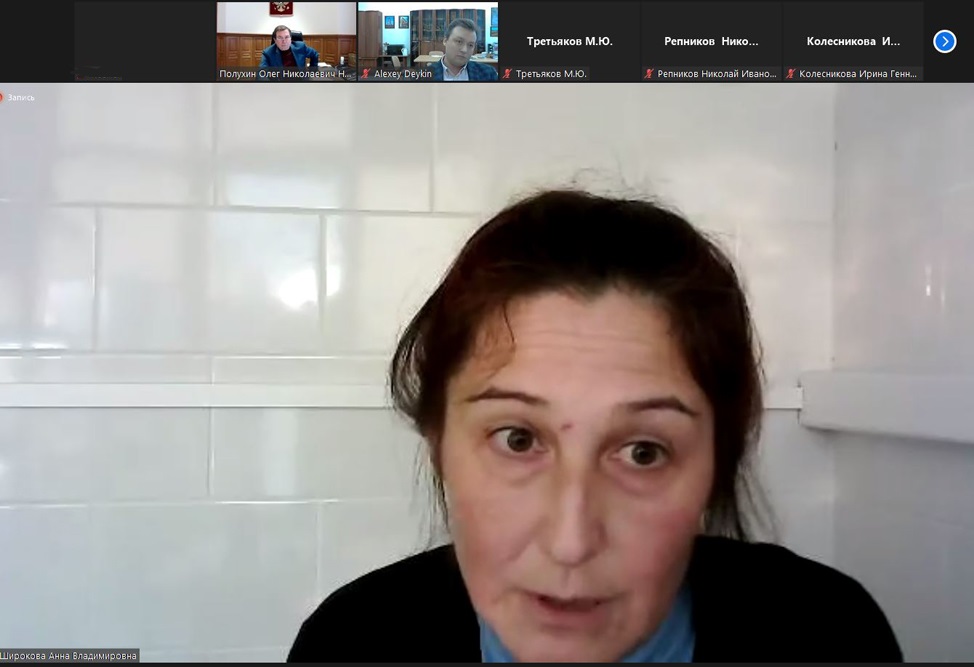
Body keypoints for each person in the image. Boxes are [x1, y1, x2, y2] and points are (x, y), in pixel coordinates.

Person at [287, 189, 902, 662]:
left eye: (643, 452)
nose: (571, 542)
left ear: (717, 464)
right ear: (439, 446)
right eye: (518, 439)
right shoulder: (351, 642)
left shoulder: (829, 634)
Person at [428, 18, 498, 81]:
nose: (464, 50)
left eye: (470, 45)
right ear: (445, 41)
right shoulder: (425, 75)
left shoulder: (488, 74)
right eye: (459, 42)